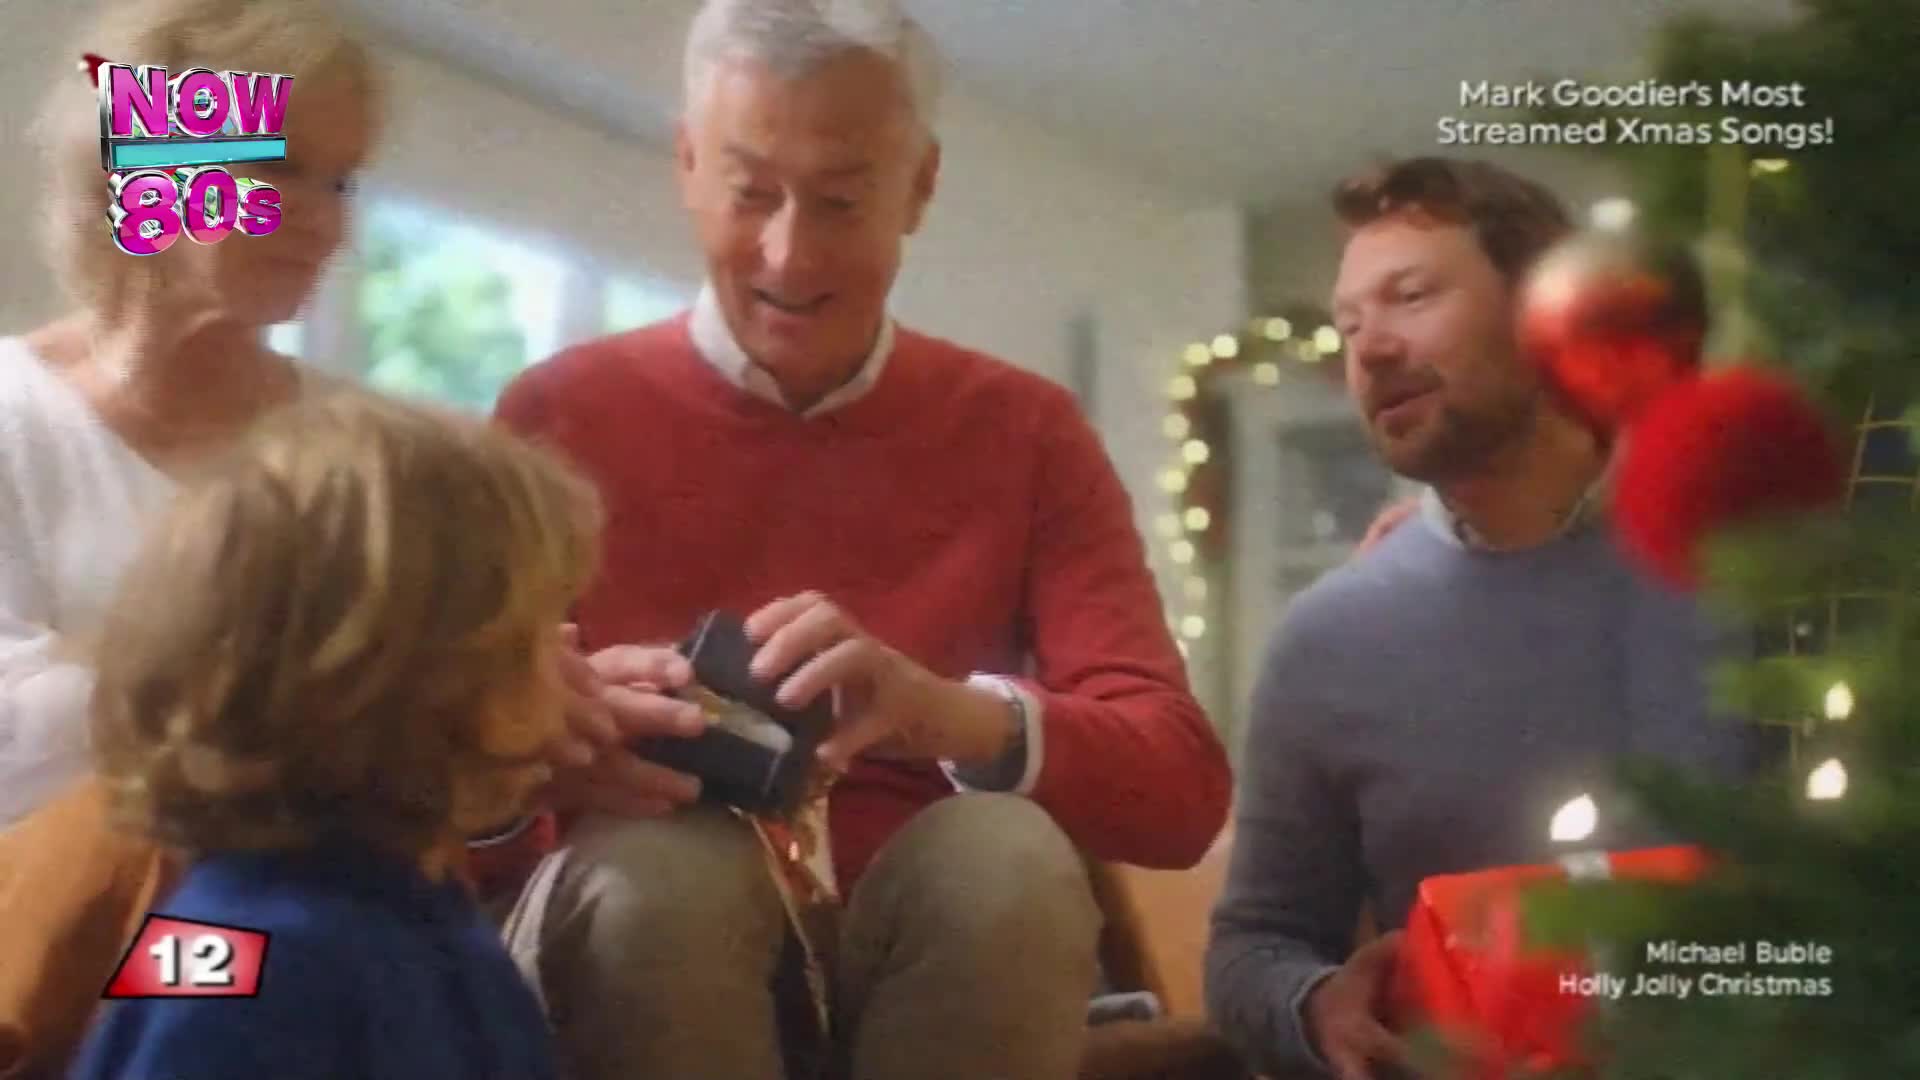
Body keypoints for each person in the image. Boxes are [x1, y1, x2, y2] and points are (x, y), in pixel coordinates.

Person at [484, 1, 1234, 1077]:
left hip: (934, 942)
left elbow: (1180, 792)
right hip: (644, 924)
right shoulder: (550, 418)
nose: (790, 255)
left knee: (1003, 855)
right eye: (751, 193)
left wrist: (944, 712)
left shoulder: (1027, 433)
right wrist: (537, 744)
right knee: (661, 870)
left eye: (840, 200)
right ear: (688, 165)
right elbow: (425, 807)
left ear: (920, 187)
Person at [1204, 157, 1773, 1080]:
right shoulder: (1329, 639)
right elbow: (1254, 945)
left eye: (1411, 296)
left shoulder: (1760, 562)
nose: (1369, 350)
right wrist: (1313, 1006)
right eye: (1349, 326)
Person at [67, 393, 597, 1080]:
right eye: (535, 632)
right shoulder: (236, 954)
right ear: (414, 674)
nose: (567, 652)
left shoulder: (423, 915)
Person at [0, 0, 379, 827]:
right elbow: (13, 753)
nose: (325, 223)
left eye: (340, 181)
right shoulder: (14, 413)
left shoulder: (366, 447)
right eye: (274, 166)